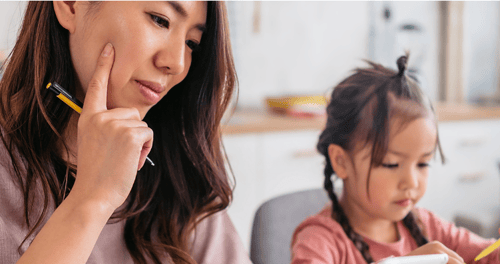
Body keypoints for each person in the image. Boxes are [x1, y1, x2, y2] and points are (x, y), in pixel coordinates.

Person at [0, 2, 251, 264]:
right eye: (160, 20)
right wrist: (91, 200)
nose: (176, 63)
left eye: (192, 43)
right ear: (71, 6)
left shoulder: (179, 169)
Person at [290, 55, 500, 264]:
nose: (411, 182)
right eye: (391, 164)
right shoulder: (318, 240)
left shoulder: (425, 225)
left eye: (422, 163)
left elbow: (490, 255)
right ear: (341, 161)